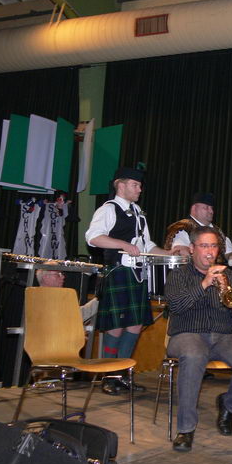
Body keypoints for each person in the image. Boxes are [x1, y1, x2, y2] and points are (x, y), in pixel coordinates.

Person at [164, 226, 232, 452]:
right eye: (204, 246)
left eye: (214, 246)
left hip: (222, 335)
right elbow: (177, 307)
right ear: (192, 248)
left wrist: (229, 293)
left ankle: (228, 405)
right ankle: (186, 429)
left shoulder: (227, 275)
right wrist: (204, 283)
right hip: (186, 334)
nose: (209, 252)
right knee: (194, 355)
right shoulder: (179, 274)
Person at [85, 167, 173, 395]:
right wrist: (122, 245)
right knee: (116, 325)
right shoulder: (108, 209)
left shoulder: (138, 213)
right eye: (135, 185)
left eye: (140, 185)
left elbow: (148, 246)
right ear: (120, 185)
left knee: (134, 323)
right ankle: (108, 376)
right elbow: (93, 237)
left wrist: (171, 253)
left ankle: (122, 374)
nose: (140, 189)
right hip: (119, 272)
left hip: (137, 274)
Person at [165, 192, 232, 269]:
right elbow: (181, 250)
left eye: (212, 208)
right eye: (206, 207)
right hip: (191, 276)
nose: (211, 211)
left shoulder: (218, 231)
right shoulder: (183, 227)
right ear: (194, 208)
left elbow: (229, 251)